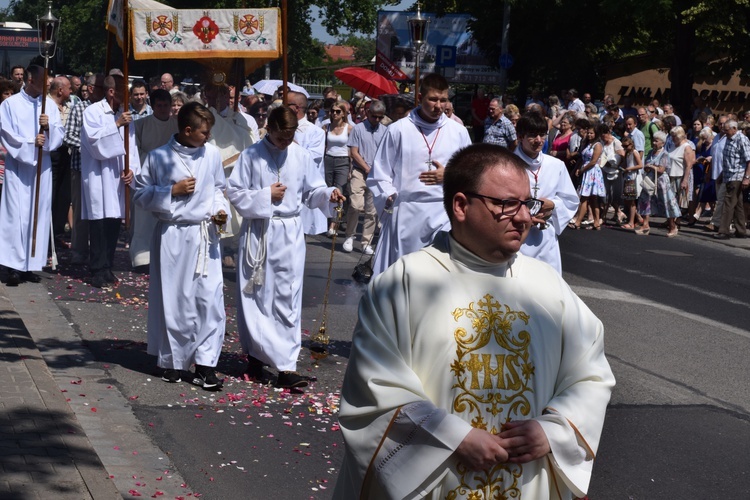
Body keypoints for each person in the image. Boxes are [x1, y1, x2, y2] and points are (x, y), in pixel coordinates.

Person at [334, 143, 615, 499]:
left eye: (527, 203)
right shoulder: (406, 282)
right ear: (461, 205)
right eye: (505, 204)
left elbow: (590, 370)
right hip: (438, 479)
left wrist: (554, 431)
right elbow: (375, 383)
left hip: (524, 477)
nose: (525, 217)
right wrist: (454, 437)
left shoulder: (548, 286)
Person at [226, 106, 345, 389]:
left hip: (289, 232)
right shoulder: (251, 155)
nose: (285, 142)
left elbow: (312, 191)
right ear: (270, 129)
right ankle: (256, 356)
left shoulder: (301, 155)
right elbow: (235, 192)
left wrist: (329, 193)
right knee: (257, 298)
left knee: (287, 298)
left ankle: (286, 366)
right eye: (281, 137)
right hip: (260, 232)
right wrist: (265, 195)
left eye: (290, 136)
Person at [134, 102, 228, 390]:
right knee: (175, 303)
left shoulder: (211, 154)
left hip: (204, 236)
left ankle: (206, 364)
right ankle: (173, 362)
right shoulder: (160, 157)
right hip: (173, 237)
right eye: (204, 132)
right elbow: (139, 194)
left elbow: (218, 189)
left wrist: (219, 210)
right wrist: (170, 191)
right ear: (187, 130)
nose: (209, 137)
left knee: (210, 301)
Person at [368, 73, 472, 276]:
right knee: (405, 275)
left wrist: (449, 175)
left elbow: (471, 173)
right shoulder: (398, 130)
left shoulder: (458, 132)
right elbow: (380, 173)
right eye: (433, 99)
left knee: (439, 275)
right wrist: (388, 195)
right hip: (407, 212)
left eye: (443, 100)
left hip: (444, 212)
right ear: (419, 98)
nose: (439, 106)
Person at [0, 65, 64, 285]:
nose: (46, 85)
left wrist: (48, 130)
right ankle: (13, 266)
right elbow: (7, 134)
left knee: (38, 213)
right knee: (16, 215)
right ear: (29, 80)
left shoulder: (49, 106)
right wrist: (30, 143)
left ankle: (31, 264)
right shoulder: (10, 104)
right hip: (19, 167)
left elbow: (59, 135)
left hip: (41, 167)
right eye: (41, 81)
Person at [80, 74, 139, 288]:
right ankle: (97, 268)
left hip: (117, 175)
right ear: (112, 91)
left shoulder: (126, 115)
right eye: (125, 91)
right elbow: (94, 142)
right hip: (97, 174)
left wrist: (132, 169)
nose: (129, 97)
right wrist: (116, 124)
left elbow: (131, 146)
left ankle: (108, 266)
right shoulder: (93, 112)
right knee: (99, 222)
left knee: (114, 222)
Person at [513, 112, 578, 273]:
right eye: (532, 135)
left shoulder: (556, 165)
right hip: (515, 235)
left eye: (542, 135)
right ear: (520, 136)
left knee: (548, 290)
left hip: (545, 237)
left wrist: (553, 205)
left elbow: (570, 200)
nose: (539, 140)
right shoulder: (507, 164)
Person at [129, 89, 178, 269]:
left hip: (169, 177)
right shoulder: (141, 124)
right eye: (159, 105)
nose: (163, 109)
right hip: (147, 175)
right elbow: (134, 150)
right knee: (143, 220)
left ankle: (163, 257)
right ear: (153, 105)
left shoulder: (176, 125)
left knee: (164, 219)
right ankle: (141, 257)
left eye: (166, 105)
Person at [343, 100, 387, 255]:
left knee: (372, 210)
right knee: (355, 205)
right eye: (374, 116)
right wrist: (367, 168)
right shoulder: (358, 129)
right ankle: (349, 235)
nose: (377, 120)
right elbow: (353, 152)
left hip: (377, 174)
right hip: (360, 171)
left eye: (380, 117)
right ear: (368, 113)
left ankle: (366, 241)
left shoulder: (385, 131)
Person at [635, 131, 681, 236]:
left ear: (662, 143)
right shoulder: (651, 152)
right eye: (653, 140)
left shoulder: (665, 154)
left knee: (666, 203)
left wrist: (651, 166)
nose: (654, 142)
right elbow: (646, 165)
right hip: (650, 181)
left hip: (661, 182)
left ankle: (672, 226)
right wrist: (647, 167)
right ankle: (645, 225)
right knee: (645, 200)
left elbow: (661, 169)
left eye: (656, 141)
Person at [714, 119, 750, 240]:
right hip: (728, 175)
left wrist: (747, 177)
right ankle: (741, 230)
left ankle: (723, 231)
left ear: (734, 128)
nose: (725, 132)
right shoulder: (729, 139)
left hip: (737, 176)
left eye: (727, 129)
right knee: (738, 203)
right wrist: (721, 176)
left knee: (728, 202)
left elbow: (749, 159)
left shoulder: (742, 139)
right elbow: (728, 160)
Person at [322, 100, 353, 236]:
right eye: (332, 111)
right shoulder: (326, 127)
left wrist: (351, 169)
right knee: (328, 191)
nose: (334, 113)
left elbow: (352, 149)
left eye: (338, 111)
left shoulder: (349, 128)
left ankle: (334, 224)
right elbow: (323, 146)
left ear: (343, 114)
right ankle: (328, 221)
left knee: (339, 191)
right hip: (328, 159)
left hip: (343, 160)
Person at [570, 124, 605, 230]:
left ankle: (578, 222)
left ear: (596, 134)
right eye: (588, 133)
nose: (589, 135)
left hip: (592, 172)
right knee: (592, 199)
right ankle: (596, 222)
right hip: (586, 170)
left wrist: (581, 170)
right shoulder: (588, 144)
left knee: (585, 198)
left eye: (591, 133)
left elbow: (593, 161)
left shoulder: (597, 145)